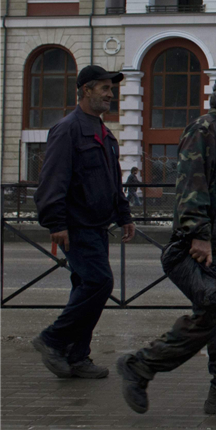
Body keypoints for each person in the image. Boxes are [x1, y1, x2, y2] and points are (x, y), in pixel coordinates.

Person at [116, 72, 216, 415]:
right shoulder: (203, 130)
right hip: (211, 249)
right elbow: (191, 186)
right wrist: (198, 234)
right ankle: (141, 365)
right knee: (209, 320)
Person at [32, 65, 135, 379]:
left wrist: (123, 214)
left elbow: (112, 181)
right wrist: (56, 222)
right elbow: (53, 180)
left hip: (98, 225)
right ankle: (52, 339)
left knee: (85, 287)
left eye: (111, 88)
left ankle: (77, 357)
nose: (110, 93)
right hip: (75, 225)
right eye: (104, 88)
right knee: (99, 283)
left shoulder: (103, 133)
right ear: (86, 90)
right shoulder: (68, 129)